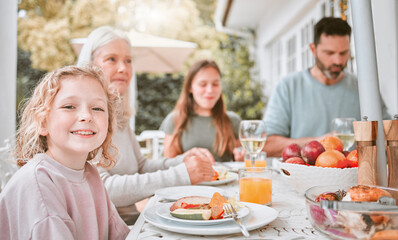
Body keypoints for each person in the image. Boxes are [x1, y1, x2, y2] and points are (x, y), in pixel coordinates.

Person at [77, 26, 215, 224]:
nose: (123, 68)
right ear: (90, 65)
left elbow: (141, 166)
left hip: (132, 222)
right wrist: (181, 174)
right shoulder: (84, 122)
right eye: (111, 59)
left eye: (128, 61)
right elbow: (104, 188)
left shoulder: (118, 118)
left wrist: (183, 160)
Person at [0, 65, 129, 239]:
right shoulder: (39, 185)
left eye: (97, 108)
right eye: (69, 106)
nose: (86, 116)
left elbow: (122, 236)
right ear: (43, 123)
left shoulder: (90, 174)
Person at [263, 17, 390, 157]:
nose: (338, 61)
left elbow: (389, 136)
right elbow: (268, 144)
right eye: (329, 53)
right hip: (303, 177)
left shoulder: (365, 88)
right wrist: (318, 143)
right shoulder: (287, 86)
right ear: (313, 49)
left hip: (353, 177)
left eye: (343, 53)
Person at [160, 60, 242, 162]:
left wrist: (241, 158)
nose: (210, 90)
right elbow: (167, 165)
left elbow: (240, 157)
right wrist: (186, 158)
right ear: (190, 87)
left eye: (215, 84)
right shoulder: (175, 120)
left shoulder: (232, 121)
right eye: (203, 84)